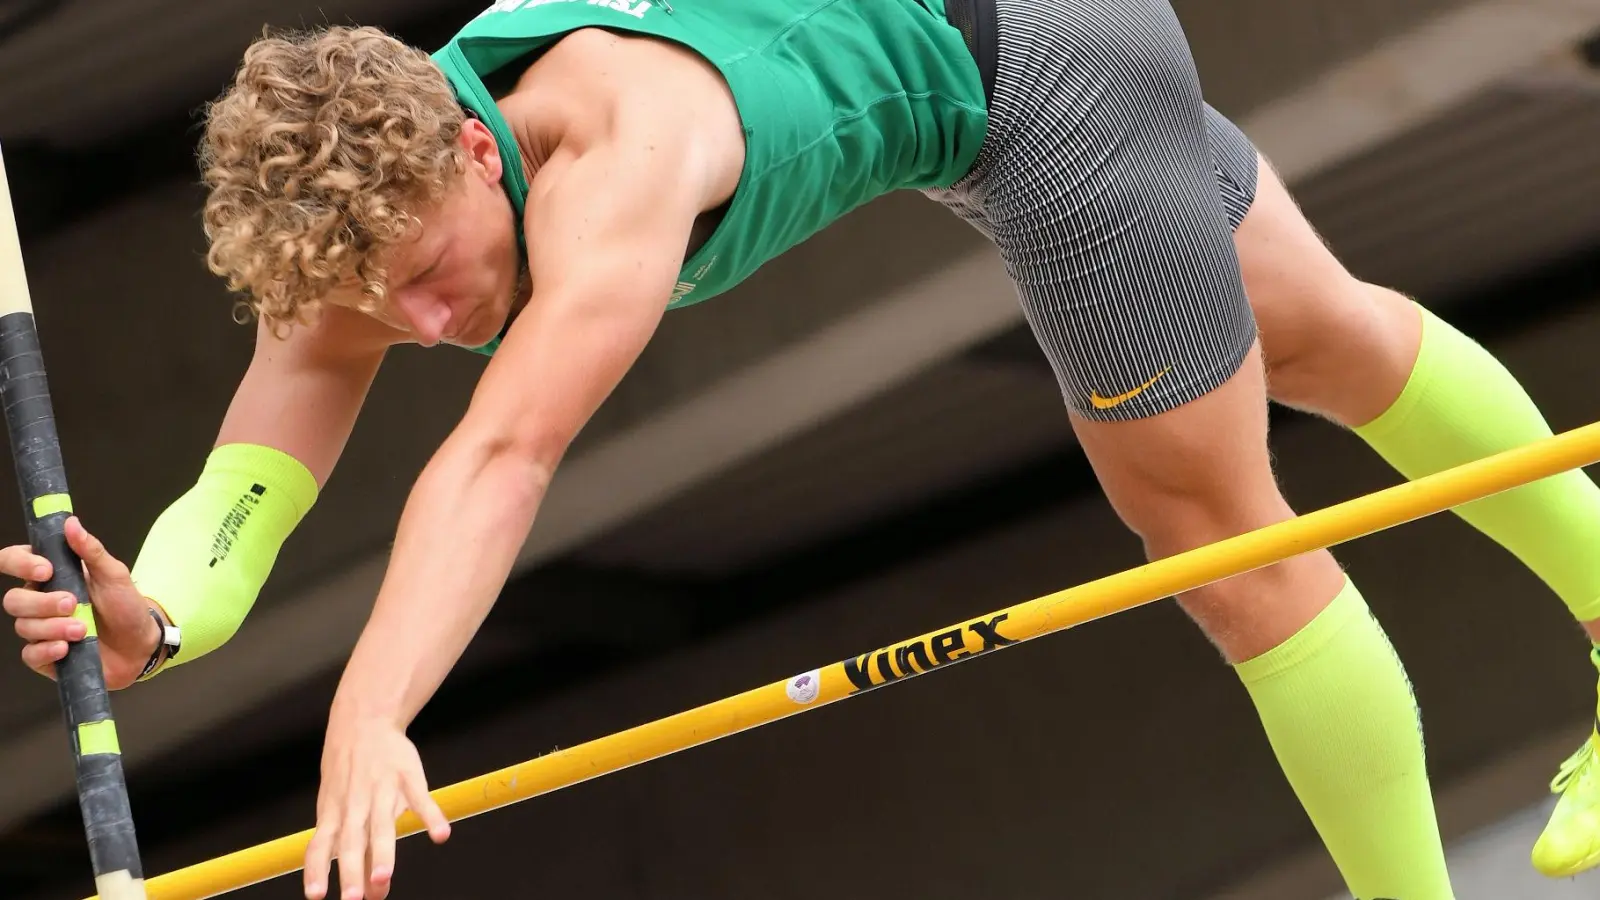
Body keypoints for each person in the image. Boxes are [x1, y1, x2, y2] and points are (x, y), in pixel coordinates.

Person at [5, 0, 1600, 896]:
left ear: (472, 152)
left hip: (1036, 78)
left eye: (433, 275)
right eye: (376, 304)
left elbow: (500, 457)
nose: (422, 324)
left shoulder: (614, 154)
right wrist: (148, 618)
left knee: (1212, 536)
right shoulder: (355, 228)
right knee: (1324, 335)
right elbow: (242, 502)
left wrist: (368, 716)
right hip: (1009, 46)